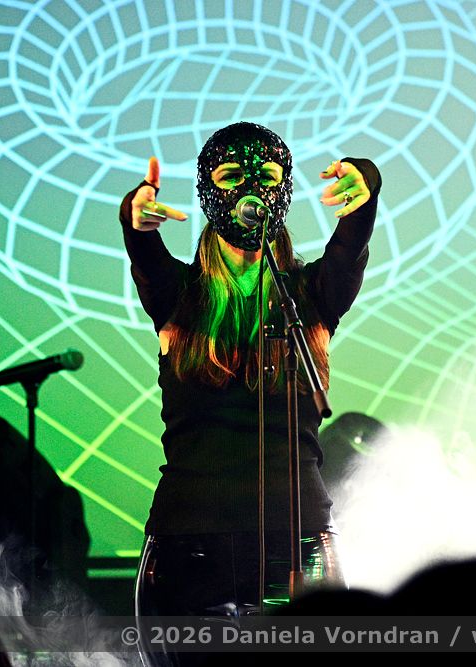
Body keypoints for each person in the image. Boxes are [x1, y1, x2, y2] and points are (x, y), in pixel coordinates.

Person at [122, 122, 380, 629]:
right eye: (230, 175)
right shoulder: (178, 295)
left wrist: (365, 182)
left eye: (266, 175)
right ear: (207, 192)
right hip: (188, 551)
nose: (250, 189)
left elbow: (352, 243)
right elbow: (143, 250)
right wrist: (134, 217)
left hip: (297, 545)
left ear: (284, 190)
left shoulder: (313, 293)